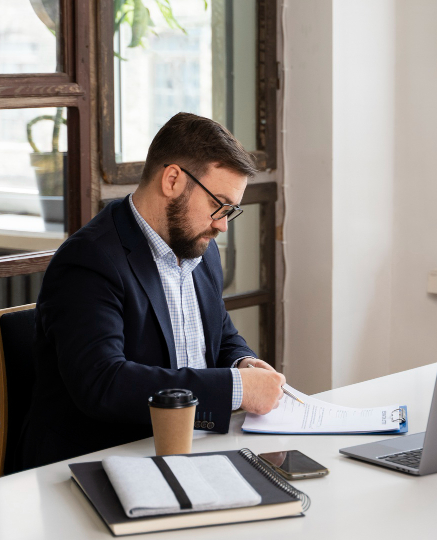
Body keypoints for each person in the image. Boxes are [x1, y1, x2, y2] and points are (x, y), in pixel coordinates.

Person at [20, 113, 286, 469]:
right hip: (100, 465)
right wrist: (237, 387)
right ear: (173, 180)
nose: (222, 225)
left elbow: (221, 335)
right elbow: (104, 383)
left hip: (191, 452)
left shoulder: (200, 248)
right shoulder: (89, 260)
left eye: (230, 211)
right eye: (218, 205)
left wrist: (244, 364)